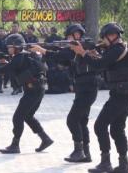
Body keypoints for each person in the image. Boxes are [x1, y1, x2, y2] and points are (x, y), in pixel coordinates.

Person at [72, 23, 128, 173]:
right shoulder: (123, 49)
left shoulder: (117, 49)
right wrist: (93, 54)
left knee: (100, 126)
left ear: (112, 36)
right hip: (124, 94)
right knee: (116, 129)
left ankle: (106, 162)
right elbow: (106, 62)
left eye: (105, 38)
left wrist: (83, 53)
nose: (103, 41)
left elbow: (99, 65)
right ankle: (123, 165)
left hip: (120, 96)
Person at [31, 24, 98, 163]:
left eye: (69, 37)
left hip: (88, 88)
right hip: (82, 88)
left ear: (77, 35)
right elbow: (61, 56)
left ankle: (79, 151)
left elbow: (83, 50)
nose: (68, 40)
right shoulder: (73, 50)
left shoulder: (87, 45)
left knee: (72, 120)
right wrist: (47, 50)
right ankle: (86, 153)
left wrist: (43, 50)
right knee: (81, 121)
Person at [0, 33, 53, 154]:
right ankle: (45, 139)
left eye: (10, 46)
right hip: (38, 89)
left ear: (16, 46)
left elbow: (2, 71)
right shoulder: (25, 56)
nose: (8, 49)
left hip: (32, 90)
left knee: (17, 117)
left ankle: (15, 145)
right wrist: (6, 61)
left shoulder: (19, 58)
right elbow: (15, 66)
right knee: (27, 116)